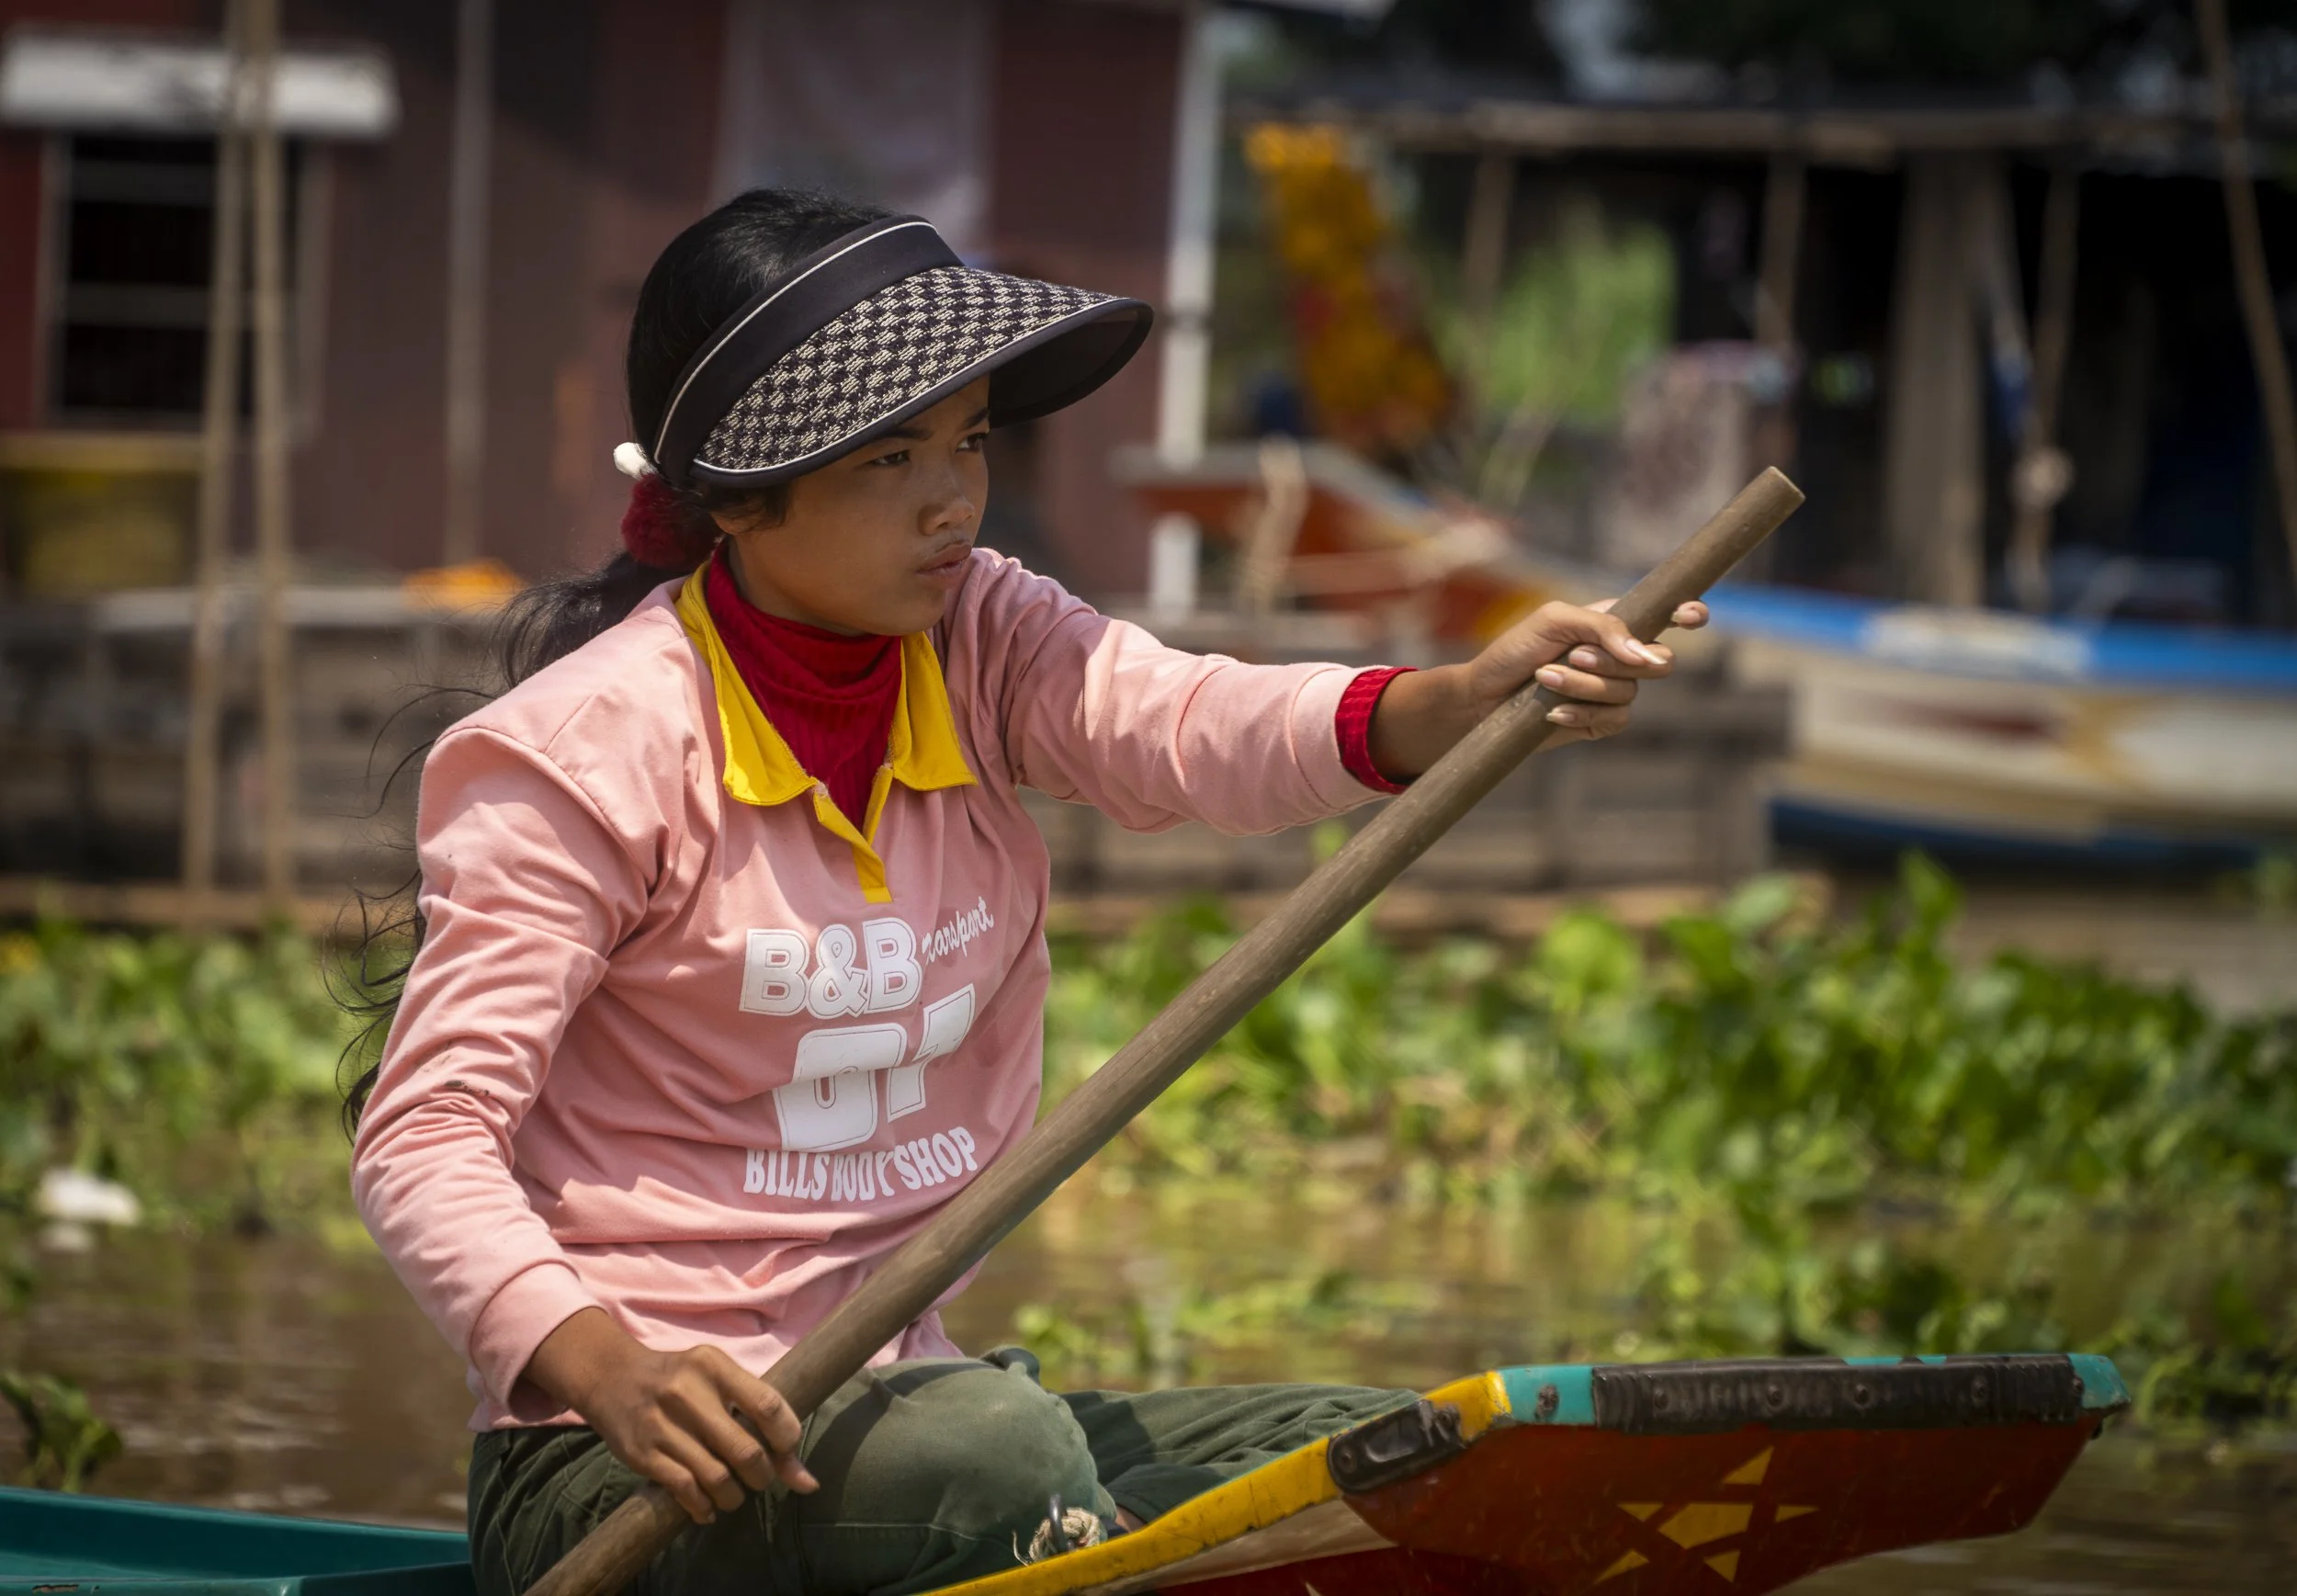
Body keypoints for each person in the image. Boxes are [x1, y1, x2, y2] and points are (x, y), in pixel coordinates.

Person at [347, 189, 1704, 1596]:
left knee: (1394, 1456)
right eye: (892, 459)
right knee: (996, 1461)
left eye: (973, 443)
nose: (955, 501)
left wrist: (1467, 697)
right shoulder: (580, 752)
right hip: (628, 1470)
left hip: (900, 1414)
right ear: (744, 495)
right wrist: (610, 1369)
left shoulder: (980, 634)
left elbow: (1192, 725)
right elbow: (425, 1138)